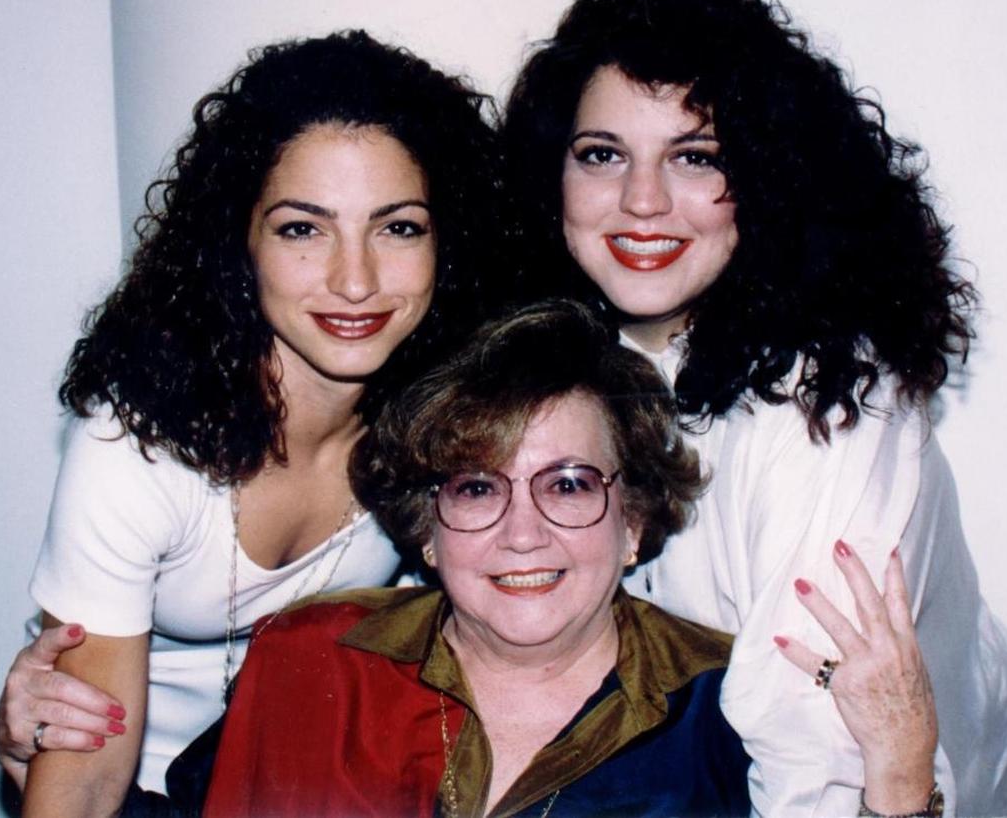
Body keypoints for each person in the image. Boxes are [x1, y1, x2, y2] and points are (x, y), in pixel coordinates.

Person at [503, 0, 1007, 817]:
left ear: (768, 179)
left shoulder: (828, 409)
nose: (641, 202)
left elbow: (821, 758)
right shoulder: (575, 357)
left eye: (695, 158)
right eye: (603, 155)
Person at [0, 30, 506, 815]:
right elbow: (87, 769)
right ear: (240, 242)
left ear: (449, 242)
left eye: (398, 226)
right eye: (303, 228)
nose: (355, 278)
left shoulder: (448, 415)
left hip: (328, 784)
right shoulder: (136, 443)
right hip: (147, 789)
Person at [204, 300, 940, 818]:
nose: (523, 532)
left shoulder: (725, 718)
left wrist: (902, 775)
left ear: (634, 521)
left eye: (568, 484)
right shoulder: (311, 658)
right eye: (476, 486)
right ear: (427, 528)